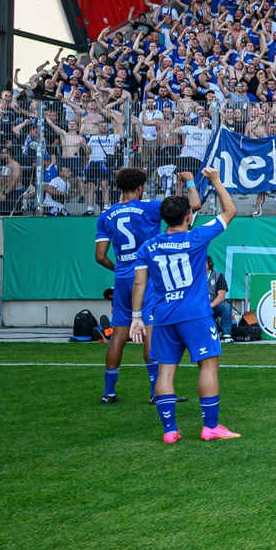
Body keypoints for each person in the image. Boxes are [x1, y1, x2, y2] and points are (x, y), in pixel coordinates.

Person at [129, 168, 237, 444]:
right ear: (188, 216)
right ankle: (210, 427)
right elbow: (230, 211)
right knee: (208, 367)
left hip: (163, 315)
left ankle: (170, 431)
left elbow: (139, 284)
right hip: (195, 315)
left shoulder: (148, 247)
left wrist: (137, 317)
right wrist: (215, 180)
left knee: (165, 371)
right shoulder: (195, 237)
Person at [95, 166, 193, 403]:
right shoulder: (149, 207)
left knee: (119, 333)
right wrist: (189, 183)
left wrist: (119, 268)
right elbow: (189, 208)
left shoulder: (106, 215)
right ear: (140, 187)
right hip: (147, 278)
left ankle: (109, 392)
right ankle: (153, 392)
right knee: (150, 329)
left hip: (121, 279)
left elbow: (100, 256)